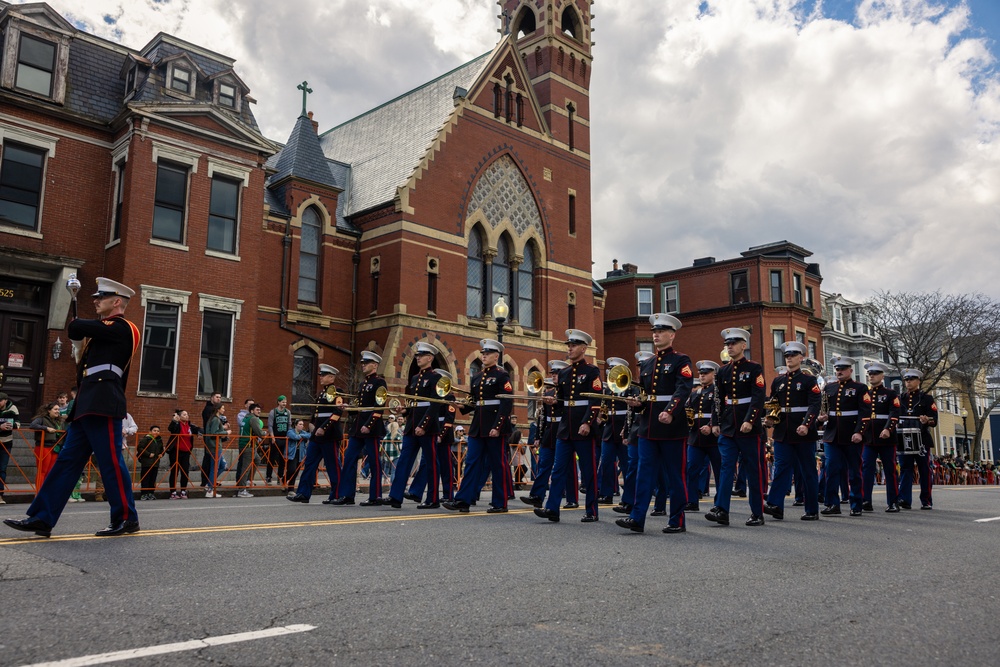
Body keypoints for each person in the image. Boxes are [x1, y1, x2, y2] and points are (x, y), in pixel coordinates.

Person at [5, 277, 141, 538]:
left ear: (117, 302)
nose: (96, 301)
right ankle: (42, 518)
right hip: (86, 404)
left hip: (104, 402)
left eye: (101, 298)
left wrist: (79, 327)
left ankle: (126, 517)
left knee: (110, 462)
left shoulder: (124, 328)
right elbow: (75, 331)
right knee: (66, 462)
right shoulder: (102, 331)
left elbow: (78, 325)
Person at [616, 314, 693, 534]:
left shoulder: (681, 360)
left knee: (675, 475)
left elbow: (683, 389)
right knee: (643, 474)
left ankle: (677, 520)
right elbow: (645, 396)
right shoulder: (648, 363)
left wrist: (670, 411)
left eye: (661, 331)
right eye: (654, 331)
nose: (656, 334)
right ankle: (637, 518)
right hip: (648, 428)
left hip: (672, 428)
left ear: (672, 334)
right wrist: (636, 404)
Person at [533, 329, 602, 524]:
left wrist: (588, 423)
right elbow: (563, 401)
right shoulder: (564, 373)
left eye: (573, 345)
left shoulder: (592, 371)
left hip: (583, 429)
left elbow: (595, 401)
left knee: (588, 472)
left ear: (583, 348)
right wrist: (554, 402)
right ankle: (552, 508)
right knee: (558, 470)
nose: (569, 348)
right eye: (568, 345)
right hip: (566, 429)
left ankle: (592, 511)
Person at [443, 339, 513, 513]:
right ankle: (463, 500)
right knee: (472, 463)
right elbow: (474, 403)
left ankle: (500, 502)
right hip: (478, 427)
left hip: (494, 427)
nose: (484, 356)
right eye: (483, 353)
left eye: (487, 353)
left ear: (496, 356)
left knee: (498, 465)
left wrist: (498, 426)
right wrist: (463, 406)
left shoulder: (501, 375)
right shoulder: (476, 377)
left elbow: (506, 403)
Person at [706, 327, 766, 527]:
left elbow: (758, 398)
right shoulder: (723, 371)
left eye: (733, 343)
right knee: (725, 468)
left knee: (752, 469)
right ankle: (722, 510)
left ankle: (757, 512)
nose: (730, 347)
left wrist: (750, 419)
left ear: (743, 345)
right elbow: (717, 400)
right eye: (727, 344)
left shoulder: (754, 368)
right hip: (728, 427)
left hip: (748, 427)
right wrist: (715, 422)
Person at [761, 342, 822, 521]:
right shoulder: (778, 381)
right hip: (783, 431)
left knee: (807, 471)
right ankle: (775, 505)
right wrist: (771, 417)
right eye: (787, 355)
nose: (789, 358)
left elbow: (814, 405)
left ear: (801, 358)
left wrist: (807, 424)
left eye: (793, 355)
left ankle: (811, 509)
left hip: (802, 431)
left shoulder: (809, 380)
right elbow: (773, 403)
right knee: (781, 468)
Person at [386, 343, 443, 508]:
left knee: (431, 463)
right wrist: (403, 411)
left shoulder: (436, 378)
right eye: (417, 355)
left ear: (430, 358)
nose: (417, 357)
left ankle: (433, 499)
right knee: (404, 461)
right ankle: (395, 496)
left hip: (427, 428)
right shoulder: (415, 378)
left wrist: (423, 425)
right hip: (412, 426)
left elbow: (435, 405)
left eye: (421, 355)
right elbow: (412, 404)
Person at [330, 351, 388, 506]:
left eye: (366, 363)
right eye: (362, 363)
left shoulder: (379, 382)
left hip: (371, 428)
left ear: (374, 365)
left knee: (375, 463)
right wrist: (349, 408)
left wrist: (368, 425)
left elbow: (379, 407)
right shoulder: (363, 384)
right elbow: (361, 407)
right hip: (357, 427)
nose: (363, 365)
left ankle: (375, 496)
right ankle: (347, 495)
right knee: (349, 459)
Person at [818, 355, 872, 517]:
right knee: (831, 469)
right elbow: (824, 410)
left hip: (851, 434)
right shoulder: (829, 387)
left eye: (842, 369)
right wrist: (821, 418)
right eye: (837, 369)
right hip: (832, 434)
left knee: (854, 472)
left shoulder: (860, 388)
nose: (839, 372)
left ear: (850, 370)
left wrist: (859, 432)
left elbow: (865, 412)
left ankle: (856, 504)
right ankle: (832, 503)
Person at [288, 365, 343, 503]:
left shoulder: (338, 392)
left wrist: (324, 428)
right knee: (310, 464)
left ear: (331, 377)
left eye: (323, 375)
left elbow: (337, 413)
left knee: (333, 466)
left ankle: (336, 494)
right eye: (320, 375)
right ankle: (303, 493)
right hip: (317, 436)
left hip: (329, 435)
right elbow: (317, 414)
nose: (320, 377)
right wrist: (313, 425)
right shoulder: (321, 394)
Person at [520, 360, 570, 507]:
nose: (554, 376)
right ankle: (536, 495)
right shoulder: (548, 392)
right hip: (549, 433)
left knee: (562, 469)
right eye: (553, 374)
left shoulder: (567, 392)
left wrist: (557, 402)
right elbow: (543, 419)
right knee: (543, 466)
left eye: (557, 374)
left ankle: (568, 496)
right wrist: (539, 436)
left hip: (563, 430)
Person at [861, 362, 901, 513]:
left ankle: (893, 502)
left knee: (890, 470)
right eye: (870, 374)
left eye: (875, 374)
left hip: (886, 437)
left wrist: (888, 429)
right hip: (869, 436)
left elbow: (894, 413)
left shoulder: (891, 394)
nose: (872, 376)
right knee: (866, 469)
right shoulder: (865, 394)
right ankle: (866, 501)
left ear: (882, 376)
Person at [896, 368, 937, 510]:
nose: (908, 382)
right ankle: (904, 499)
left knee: (924, 470)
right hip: (904, 438)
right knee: (905, 469)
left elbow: (934, 419)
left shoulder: (926, 398)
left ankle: (926, 500)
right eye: (906, 380)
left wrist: (927, 420)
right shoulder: (900, 398)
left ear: (918, 381)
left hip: (921, 439)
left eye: (911, 379)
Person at [684, 360, 721, 513]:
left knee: (719, 470)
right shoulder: (696, 393)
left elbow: (719, 410)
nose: (702, 376)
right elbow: (687, 410)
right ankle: (692, 500)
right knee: (691, 468)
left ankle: (720, 502)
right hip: (696, 436)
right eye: (700, 373)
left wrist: (712, 425)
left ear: (714, 374)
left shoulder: (718, 391)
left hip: (713, 437)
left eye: (706, 373)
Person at [597, 357, 631, 505]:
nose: (611, 373)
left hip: (623, 429)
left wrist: (628, 430)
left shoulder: (630, 388)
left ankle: (628, 497)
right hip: (609, 430)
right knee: (606, 463)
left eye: (614, 370)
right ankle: (606, 493)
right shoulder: (608, 389)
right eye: (610, 370)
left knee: (626, 465)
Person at [168, 409, 202, 499]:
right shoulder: (176, 424)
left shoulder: (190, 426)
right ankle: (173, 491)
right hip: (176, 451)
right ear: (179, 416)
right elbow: (171, 429)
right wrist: (174, 420)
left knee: (185, 471)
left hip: (186, 452)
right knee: (174, 471)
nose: (186, 416)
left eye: (187, 414)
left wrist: (199, 433)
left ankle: (183, 490)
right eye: (184, 414)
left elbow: (199, 429)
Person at [30, 402, 65, 488]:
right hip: (43, 446)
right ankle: (39, 493)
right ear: (49, 410)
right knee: (42, 471)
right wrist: (46, 428)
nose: (58, 411)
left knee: (50, 471)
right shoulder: (41, 419)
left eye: (58, 410)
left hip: (55, 447)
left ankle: (45, 492)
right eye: (55, 409)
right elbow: (33, 425)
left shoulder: (59, 421)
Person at [236, 403, 265, 497]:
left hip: (244, 444)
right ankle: (242, 489)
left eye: (260, 410)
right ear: (252, 411)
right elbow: (259, 432)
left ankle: (247, 481)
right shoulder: (253, 419)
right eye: (257, 409)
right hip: (249, 445)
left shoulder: (246, 418)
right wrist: (264, 433)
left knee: (257, 459)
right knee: (246, 467)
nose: (259, 411)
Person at [203, 404, 230, 497]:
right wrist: (226, 432)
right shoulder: (215, 419)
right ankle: (210, 489)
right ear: (218, 409)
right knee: (214, 468)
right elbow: (213, 433)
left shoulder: (214, 419)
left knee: (223, 466)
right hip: (215, 447)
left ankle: (209, 484)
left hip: (216, 446)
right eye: (222, 408)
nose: (224, 410)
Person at [266, 395, 293, 484]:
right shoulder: (273, 412)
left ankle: (280, 476)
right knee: (272, 457)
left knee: (282, 458)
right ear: (278, 402)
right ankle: (268, 476)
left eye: (285, 402)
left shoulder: (288, 412)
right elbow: (270, 425)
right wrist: (272, 437)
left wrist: (288, 435)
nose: (284, 404)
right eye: (282, 402)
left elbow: (289, 425)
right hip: (275, 437)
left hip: (284, 438)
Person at [0, 391, 21, 504]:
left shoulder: (12, 408)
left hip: (6, 441)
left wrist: (9, 426)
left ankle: (0, 495)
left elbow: (17, 424)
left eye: (0, 401)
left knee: (2, 469)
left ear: (5, 401)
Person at [136, 426, 165, 500]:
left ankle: (151, 493)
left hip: (155, 462)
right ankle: (144, 493)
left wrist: (161, 454)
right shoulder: (146, 439)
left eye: (158, 431)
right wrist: (148, 454)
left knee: (153, 478)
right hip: (147, 462)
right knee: (145, 478)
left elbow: (162, 449)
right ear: (150, 432)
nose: (156, 432)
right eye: (154, 430)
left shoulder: (159, 440)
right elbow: (140, 448)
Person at [284, 419, 311, 491]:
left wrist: (301, 435)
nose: (302, 426)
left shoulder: (303, 432)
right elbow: (295, 437)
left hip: (300, 453)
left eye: (302, 424)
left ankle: (290, 487)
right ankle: (285, 480)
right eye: (300, 424)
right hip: (292, 453)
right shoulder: (290, 431)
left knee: (296, 471)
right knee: (292, 469)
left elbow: (309, 435)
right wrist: (302, 436)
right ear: (295, 425)